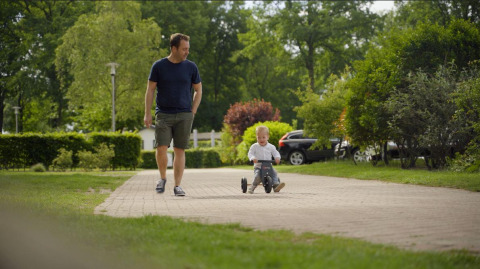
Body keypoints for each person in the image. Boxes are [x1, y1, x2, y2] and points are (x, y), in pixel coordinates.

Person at [144, 33, 202, 196]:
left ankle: (177, 186)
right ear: (174, 48)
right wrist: (147, 113)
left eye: (188, 49)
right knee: (161, 147)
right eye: (184, 49)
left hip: (184, 114)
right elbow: (150, 90)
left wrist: (194, 110)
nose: (187, 52)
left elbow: (198, 90)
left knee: (179, 149)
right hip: (163, 114)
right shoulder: (159, 66)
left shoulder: (191, 67)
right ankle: (162, 178)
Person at [247, 125, 286, 194]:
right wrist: (253, 158)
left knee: (274, 173)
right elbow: (250, 153)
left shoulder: (271, 146)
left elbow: (276, 153)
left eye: (263, 137)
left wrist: (277, 158)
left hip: (268, 166)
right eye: (259, 138)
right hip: (258, 167)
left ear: (268, 137)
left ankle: (275, 185)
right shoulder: (254, 146)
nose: (261, 139)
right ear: (256, 137)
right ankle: (252, 187)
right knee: (257, 176)